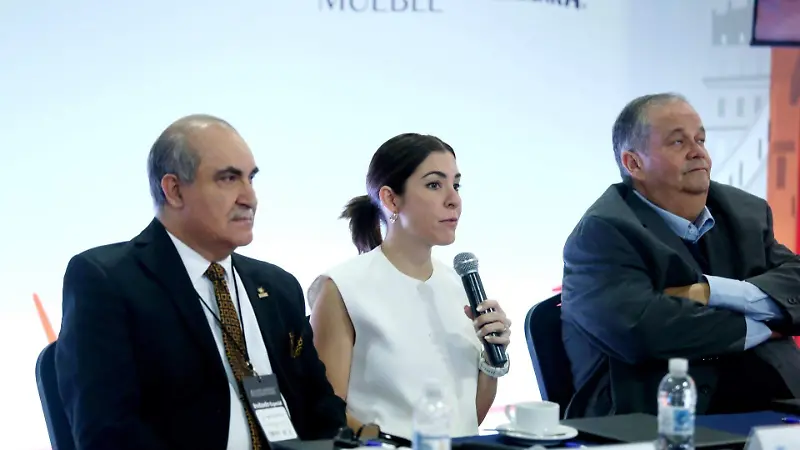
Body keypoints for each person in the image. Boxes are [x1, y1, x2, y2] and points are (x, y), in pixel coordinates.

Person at [55, 115, 346, 450]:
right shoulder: (108, 281)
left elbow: (321, 408)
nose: (249, 198)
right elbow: (108, 434)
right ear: (175, 190)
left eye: (251, 178)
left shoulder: (278, 287)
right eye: (229, 179)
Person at [561, 93, 800, 419]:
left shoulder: (744, 212)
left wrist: (710, 293)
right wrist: (766, 323)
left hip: (774, 402)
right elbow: (644, 330)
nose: (698, 151)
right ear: (634, 163)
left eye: (700, 139)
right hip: (659, 417)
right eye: (678, 142)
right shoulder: (602, 233)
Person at [306, 133, 512, 439]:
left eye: (456, 185)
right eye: (434, 185)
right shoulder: (343, 288)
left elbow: (469, 418)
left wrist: (492, 359)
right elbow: (327, 413)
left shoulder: (458, 286)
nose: (453, 199)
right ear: (391, 199)